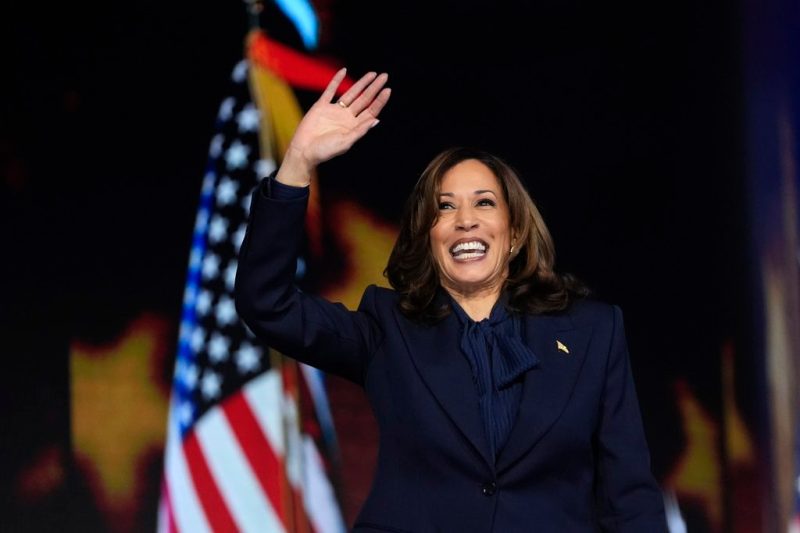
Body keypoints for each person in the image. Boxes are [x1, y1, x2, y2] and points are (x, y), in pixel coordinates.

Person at [235, 68, 667, 532]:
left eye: (484, 203)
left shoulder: (593, 332)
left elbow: (630, 497)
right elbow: (267, 303)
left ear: (515, 233)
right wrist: (297, 163)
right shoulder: (386, 328)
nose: (465, 220)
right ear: (429, 237)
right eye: (445, 207)